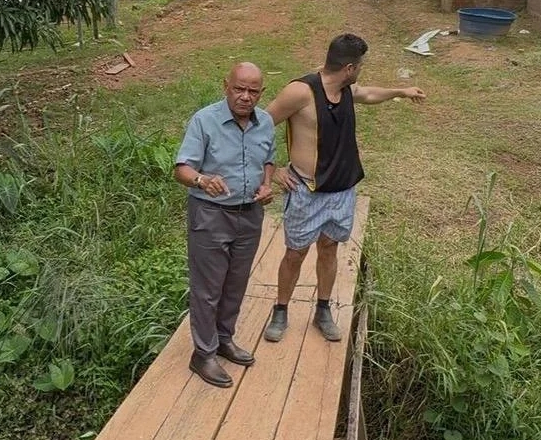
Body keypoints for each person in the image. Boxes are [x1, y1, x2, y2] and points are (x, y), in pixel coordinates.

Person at [263, 34, 425, 342]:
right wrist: (271, 170)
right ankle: (281, 310)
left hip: (341, 192)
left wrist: (401, 92)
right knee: (295, 254)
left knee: (329, 248)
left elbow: (369, 94)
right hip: (307, 190)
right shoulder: (301, 92)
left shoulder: (347, 89)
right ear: (349, 67)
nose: (360, 72)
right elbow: (260, 124)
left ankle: (322, 309)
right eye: (360, 66)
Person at [174, 62, 276, 388]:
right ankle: (203, 354)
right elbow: (182, 169)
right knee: (208, 288)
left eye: (253, 91)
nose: (245, 97)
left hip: (250, 215)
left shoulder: (266, 123)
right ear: (226, 86)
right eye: (239, 89)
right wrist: (203, 180)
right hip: (210, 214)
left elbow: (269, 160)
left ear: (262, 93)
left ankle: (223, 339)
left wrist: (267, 184)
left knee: (236, 283)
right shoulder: (205, 121)